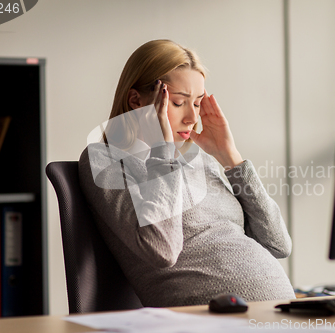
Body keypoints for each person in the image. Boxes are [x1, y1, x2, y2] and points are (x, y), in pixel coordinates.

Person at [78, 39, 295, 307]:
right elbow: (162, 250)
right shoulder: (106, 158)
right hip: (209, 320)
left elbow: (278, 244)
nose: (192, 118)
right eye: (179, 102)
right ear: (136, 100)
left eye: (197, 104)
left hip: (277, 313)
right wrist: (162, 151)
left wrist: (231, 159)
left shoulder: (199, 158)